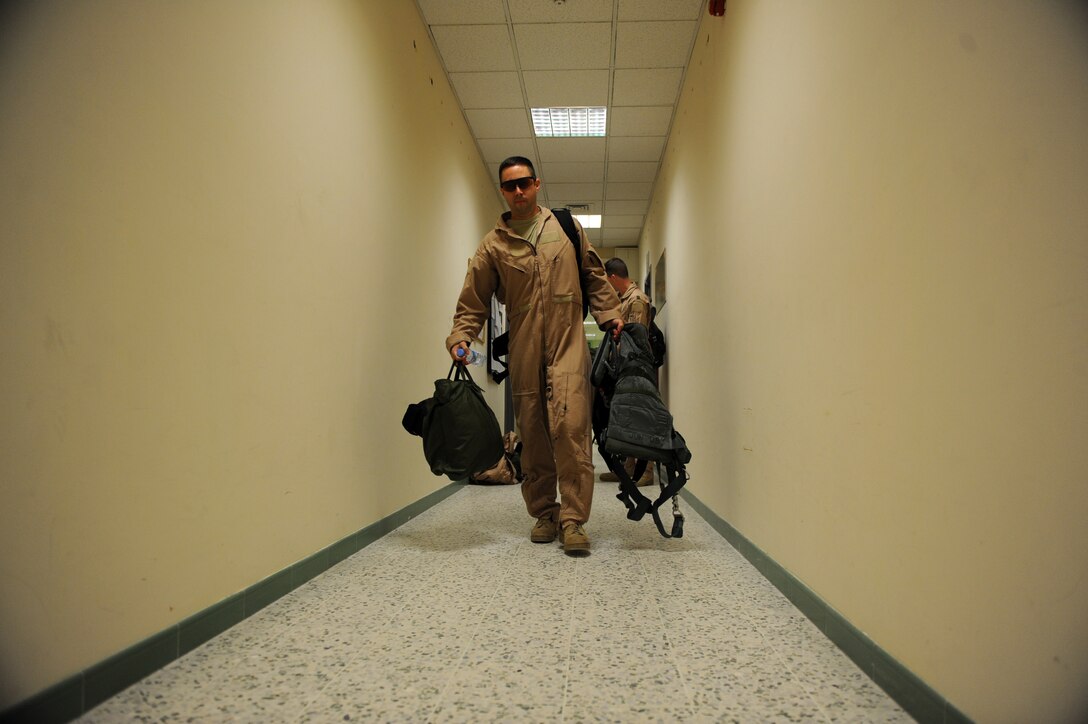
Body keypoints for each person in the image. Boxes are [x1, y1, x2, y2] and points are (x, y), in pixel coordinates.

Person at [446, 156, 623, 556]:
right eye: (510, 186)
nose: (519, 191)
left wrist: (611, 315)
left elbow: (594, 275)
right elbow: (473, 299)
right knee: (534, 432)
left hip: (567, 341)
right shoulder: (493, 245)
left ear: (537, 183)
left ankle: (574, 519)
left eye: (524, 183)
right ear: (503, 191)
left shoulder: (564, 227)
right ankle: (545, 513)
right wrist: (461, 336)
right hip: (524, 347)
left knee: (572, 427)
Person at [599, 258, 656, 487]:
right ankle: (629, 467)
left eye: (607, 280)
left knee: (642, 417)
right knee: (627, 418)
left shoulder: (636, 300)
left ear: (613, 277)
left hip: (637, 367)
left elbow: (636, 339)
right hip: (625, 368)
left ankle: (647, 470)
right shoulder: (624, 300)